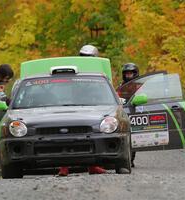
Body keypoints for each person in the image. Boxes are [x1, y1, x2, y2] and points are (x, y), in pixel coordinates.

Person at [58, 45, 106, 176]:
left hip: (92, 107)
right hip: (72, 105)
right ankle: (64, 167)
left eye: (88, 57)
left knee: (91, 134)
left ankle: (93, 166)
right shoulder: (74, 70)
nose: (85, 60)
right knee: (67, 135)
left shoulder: (98, 73)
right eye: (83, 57)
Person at [117, 63, 139, 167]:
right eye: (126, 74)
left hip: (137, 111)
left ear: (135, 74)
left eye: (130, 73)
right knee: (125, 134)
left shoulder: (139, 85)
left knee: (134, 135)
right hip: (124, 111)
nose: (128, 75)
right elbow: (117, 97)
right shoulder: (121, 86)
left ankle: (131, 159)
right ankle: (124, 158)